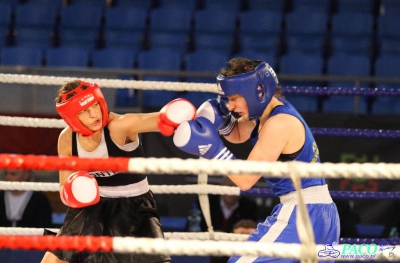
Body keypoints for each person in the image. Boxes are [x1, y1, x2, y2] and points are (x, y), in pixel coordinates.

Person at [158, 58, 340, 262]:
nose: (230, 105)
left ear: (259, 91)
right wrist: (222, 125)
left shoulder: (278, 124)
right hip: (317, 212)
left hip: (303, 213)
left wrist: (212, 150)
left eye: (235, 98)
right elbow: (238, 135)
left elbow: (245, 180)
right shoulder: (267, 113)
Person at [41, 80, 197, 263]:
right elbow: (64, 189)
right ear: (71, 118)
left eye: (95, 106)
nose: (94, 114)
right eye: (84, 111)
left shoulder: (119, 126)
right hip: (93, 208)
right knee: (53, 260)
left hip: (134, 207)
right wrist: (76, 190)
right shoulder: (67, 140)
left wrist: (174, 116)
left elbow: (159, 120)